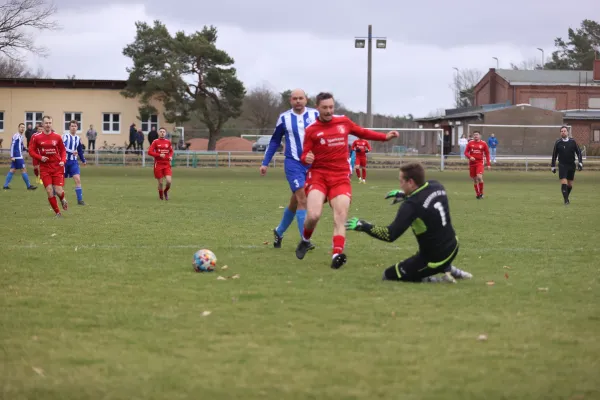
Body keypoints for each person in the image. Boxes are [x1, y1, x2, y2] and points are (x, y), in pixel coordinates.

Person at [295, 92, 399, 269]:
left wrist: (384, 137)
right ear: (317, 108)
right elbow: (304, 154)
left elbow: (362, 132)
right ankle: (305, 239)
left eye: (331, 107)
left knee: (341, 216)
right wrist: (307, 157)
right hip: (318, 176)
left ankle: (337, 254)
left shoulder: (343, 121)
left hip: (340, 176)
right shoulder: (312, 130)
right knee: (313, 215)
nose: (328, 111)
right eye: (325, 107)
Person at [345, 162, 472, 283]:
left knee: (389, 275)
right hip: (453, 246)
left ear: (411, 182)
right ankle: (452, 270)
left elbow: (390, 234)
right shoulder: (436, 185)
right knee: (436, 242)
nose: (400, 185)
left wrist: (363, 226)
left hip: (434, 259)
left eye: (401, 182)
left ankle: (440, 280)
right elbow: (424, 197)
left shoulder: (411, 206)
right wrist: (404, 194)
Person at [260, 88, 319, 248]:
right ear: (290, 101)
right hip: (293, 163)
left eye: (301, 98)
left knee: (295, 203)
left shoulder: (315, 115)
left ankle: (279, 232)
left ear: (306, 99)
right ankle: (304, 240)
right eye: (295, 98)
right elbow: (274, 141)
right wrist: (265, 162)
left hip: (313, 164)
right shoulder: (284, 118)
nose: (298, 101)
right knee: (303, 200)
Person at [28, 115, 68, 217]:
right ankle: (58, 213)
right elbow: (31, 151)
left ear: (52, 124)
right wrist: (40, 158)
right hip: (44, 167)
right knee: (49, 190)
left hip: (56, 166)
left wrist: (63, 160)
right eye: (46, 123)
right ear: (42, 124)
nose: (48, 125)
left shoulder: (57, 137)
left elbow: (63, 150)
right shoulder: (36, 137)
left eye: (50, 123)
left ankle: (62, 198)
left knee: (59, 191)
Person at [551, 126, 583, 205]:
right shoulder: (558, 142)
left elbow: (578, 152)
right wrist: (553, 166)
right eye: (561, 131)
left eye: (564, 131)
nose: (563, 132)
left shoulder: (573, 141)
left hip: (571, 165)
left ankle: (566, 197)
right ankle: (566, 201)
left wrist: (580, 162)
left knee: (570, 184)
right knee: (564, 182)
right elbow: (554, 154)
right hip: (562, 165)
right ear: (560, 133)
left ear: (567, 132)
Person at [3, 123, 37, 191]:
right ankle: (29, 186)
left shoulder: (21, 136)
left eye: (23, 127)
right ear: (18, 128)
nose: (22, 129)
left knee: (12, 170)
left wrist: (26, 149)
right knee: (23, 169)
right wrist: (12, 156)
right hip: (17, 156)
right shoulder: (16, 135)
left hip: (18, 156)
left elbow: (21, 146)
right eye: (21, 127)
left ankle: (5, 185)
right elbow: (12, 146)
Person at [63, 120, 87, 205]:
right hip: (64, 161)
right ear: (69, 127)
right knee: (61, 182)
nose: (73, 127)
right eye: (72, 126)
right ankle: (58, 197)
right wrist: (71, 152)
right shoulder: (65, 136)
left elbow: (80, 151)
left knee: (77, 179)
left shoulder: (78, 138)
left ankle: (80, 200)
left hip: (73, 162)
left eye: (75, 126)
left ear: (77, 127)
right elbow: (62, 147)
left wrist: (83, 160)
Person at [148, 127, 174, 200]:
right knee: (161, 183)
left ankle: (165, 192)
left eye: (164, 132)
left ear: (165, 133)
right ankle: (161, 196)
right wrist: (159, 155)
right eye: (161, 131)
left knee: (169, 181)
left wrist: (171, 157)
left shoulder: (168, 142)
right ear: (159, 133)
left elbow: (171, 151)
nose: (162, 133)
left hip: (166, 164)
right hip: (158, 164)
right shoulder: (155, 141)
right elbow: (149, 152)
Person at [464, 131, 491, 199]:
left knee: (479, 177)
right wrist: (470, 157)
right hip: (472, 163)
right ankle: (478, 194)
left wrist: (488, 164)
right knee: (475, 180)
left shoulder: (483, 143)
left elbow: (487, 154)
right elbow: (466, 152)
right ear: (473, 136)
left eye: (477, 135)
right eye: (474, 135)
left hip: (480, 162)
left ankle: (481, 193)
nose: (476, 136)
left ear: (480, 136)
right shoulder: (470, 143)